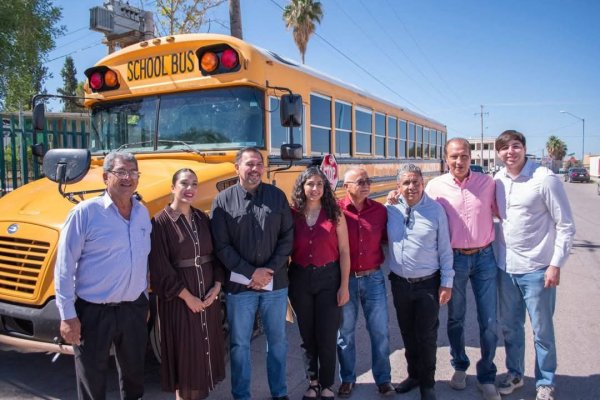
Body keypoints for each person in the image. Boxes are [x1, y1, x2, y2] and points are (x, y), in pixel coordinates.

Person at [54, 151, 152, 400]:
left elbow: (143, 260)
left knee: (134, 377)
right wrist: (68, 316)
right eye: (121, 172)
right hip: (94, 312)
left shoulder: (142, 213)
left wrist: (143, 298)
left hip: (133, 309)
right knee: (92, 381)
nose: (128, 177)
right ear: (106, 177)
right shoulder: (85, 213)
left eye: (133, 172)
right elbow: (64, 266)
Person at [493, 130, 575, 400]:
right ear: (498, 153)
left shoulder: (544, 179)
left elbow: (565, 225)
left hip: (538, 269)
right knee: (511, 328)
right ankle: (515, 374)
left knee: (542, 330)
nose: (510, 152)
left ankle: (545, 382)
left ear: (524, 148)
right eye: (504, 148)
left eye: (515, 146)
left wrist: (556, 264)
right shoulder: (498, 180)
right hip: (506, 268)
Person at [210, 147, 294, 400]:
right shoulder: (222, 201)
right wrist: (251, 273)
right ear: (237, 167)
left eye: (259, 164)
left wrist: (268, 272)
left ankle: (279, 393)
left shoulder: (277, 197)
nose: (255, 169)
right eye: (249, 164)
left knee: (277, 342)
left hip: (275, 284)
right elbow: (221, 246)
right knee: (239, 345)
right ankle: (241, 395)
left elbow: (287, 238)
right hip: (239, 288)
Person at [425, 138, 500, 400]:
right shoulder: (435, 187)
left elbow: (507, 212)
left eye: (464, 156)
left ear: (471, 156)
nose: (459, 161)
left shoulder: (488, 184)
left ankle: (487, 375)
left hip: (485, 258)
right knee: (456, 317)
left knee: (489, 320)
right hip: (453, 260)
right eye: (454, 156)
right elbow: (420, 212)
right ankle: (459, 365)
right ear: (446, 158)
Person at [149, 168, 226, 400]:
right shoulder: (160, 222)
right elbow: (160, 268)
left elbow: (217, 255)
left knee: (203, 357)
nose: (190, 188)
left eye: (194, 184)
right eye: (184, 183)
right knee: (185, 360)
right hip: (179, 302)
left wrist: (217, 286)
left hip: (207, 298)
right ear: (173, 187)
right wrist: (187, 297)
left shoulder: (203, 218)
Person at [386, 164, 453, 400]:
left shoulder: (435, 211)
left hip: (428, 284)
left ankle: (427, 384)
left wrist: (447, 283)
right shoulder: (390, 209)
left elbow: (445, 250)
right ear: (398, 186)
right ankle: (413, 375)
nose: (411, 187)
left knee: (426, 336)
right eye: (406, 182)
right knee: (407, 333)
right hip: (400, 283)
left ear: (423, 183)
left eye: (416, 182)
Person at [288, 166, 350, 400]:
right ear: (302, 187)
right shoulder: (293, 214)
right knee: (307, 335)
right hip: (300, 279)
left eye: (319, 184)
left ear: (325, 188)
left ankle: (327, 384)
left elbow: (344, 251)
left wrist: (344, 286)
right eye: (310, 184)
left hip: (329, 279)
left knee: (327, 334)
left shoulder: (334, 213)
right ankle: (312, 382)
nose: (314, 189)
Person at [336, 168, 394, 398]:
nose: (366, 185)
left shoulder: (380, 211)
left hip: (373, 278)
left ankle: (383, 379)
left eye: (368, 181)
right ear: (346, 186)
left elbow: (391, 237)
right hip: (346, 279)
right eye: (360, 181)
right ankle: (347, 379)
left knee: (380, 331)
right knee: (345, 333)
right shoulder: (336, 211)